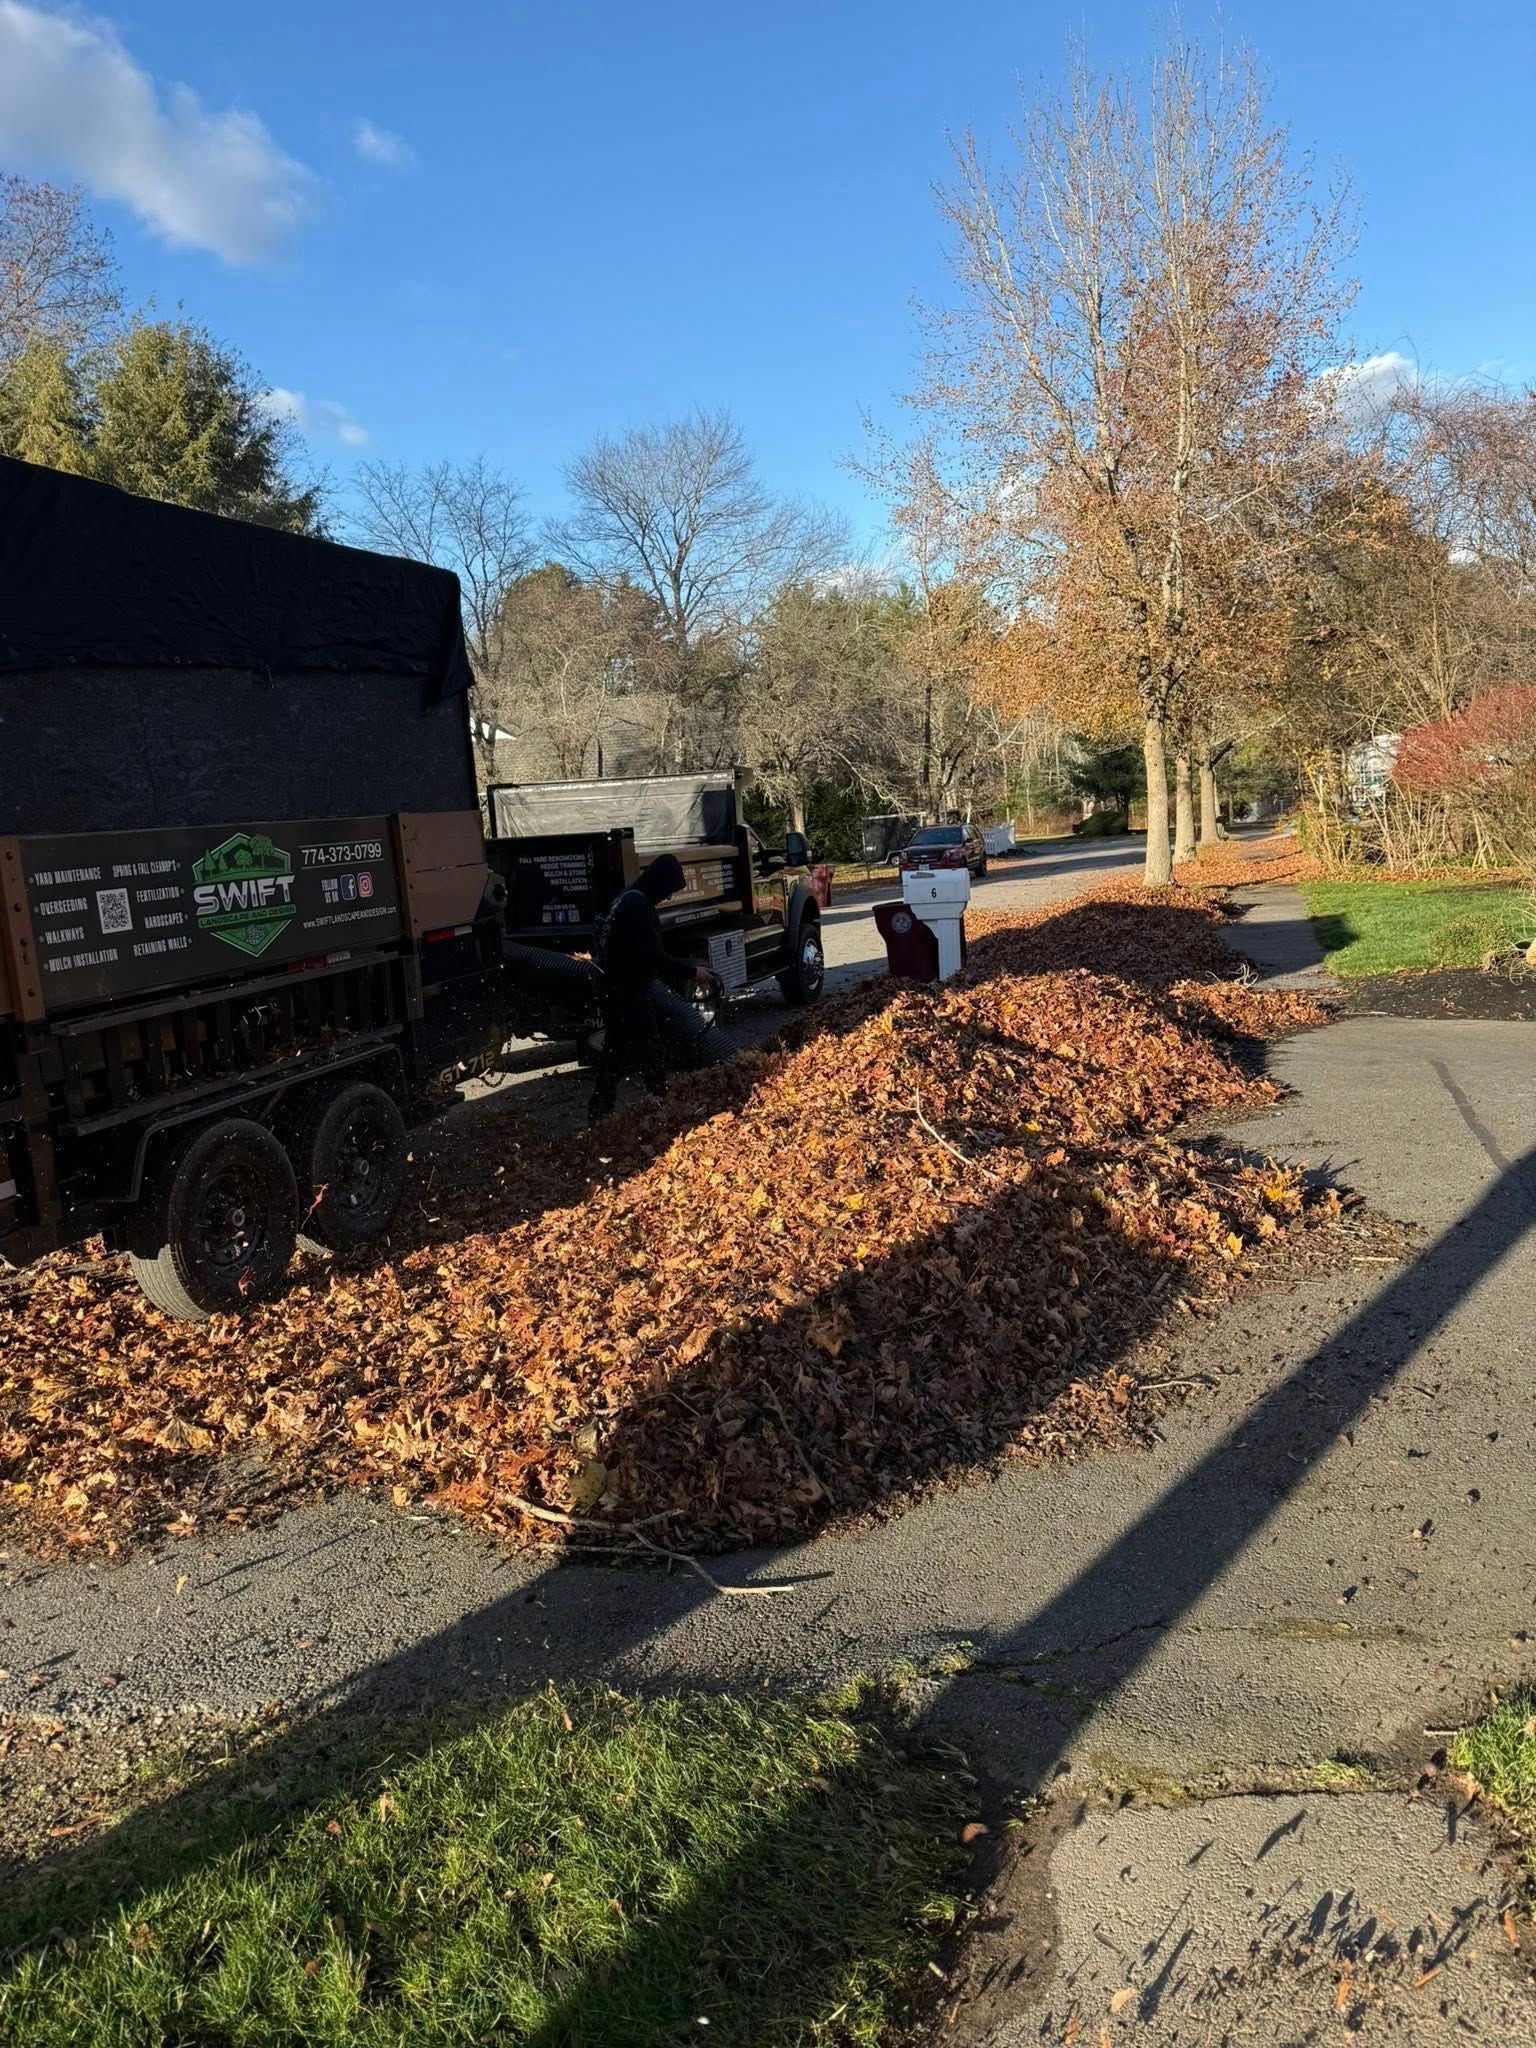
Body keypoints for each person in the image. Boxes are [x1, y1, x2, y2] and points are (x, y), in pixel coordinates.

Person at [588, 853, 710, 1120]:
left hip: (612, 987)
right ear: (660, 882)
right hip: (628, 991)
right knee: (650, 1049)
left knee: (615, 1052)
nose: (667, 897)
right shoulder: (639, 906)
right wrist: (692, 972)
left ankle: (599, 1111)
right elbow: (654, 957)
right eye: (668, 890)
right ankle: (659, 1105)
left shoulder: (625, 898)